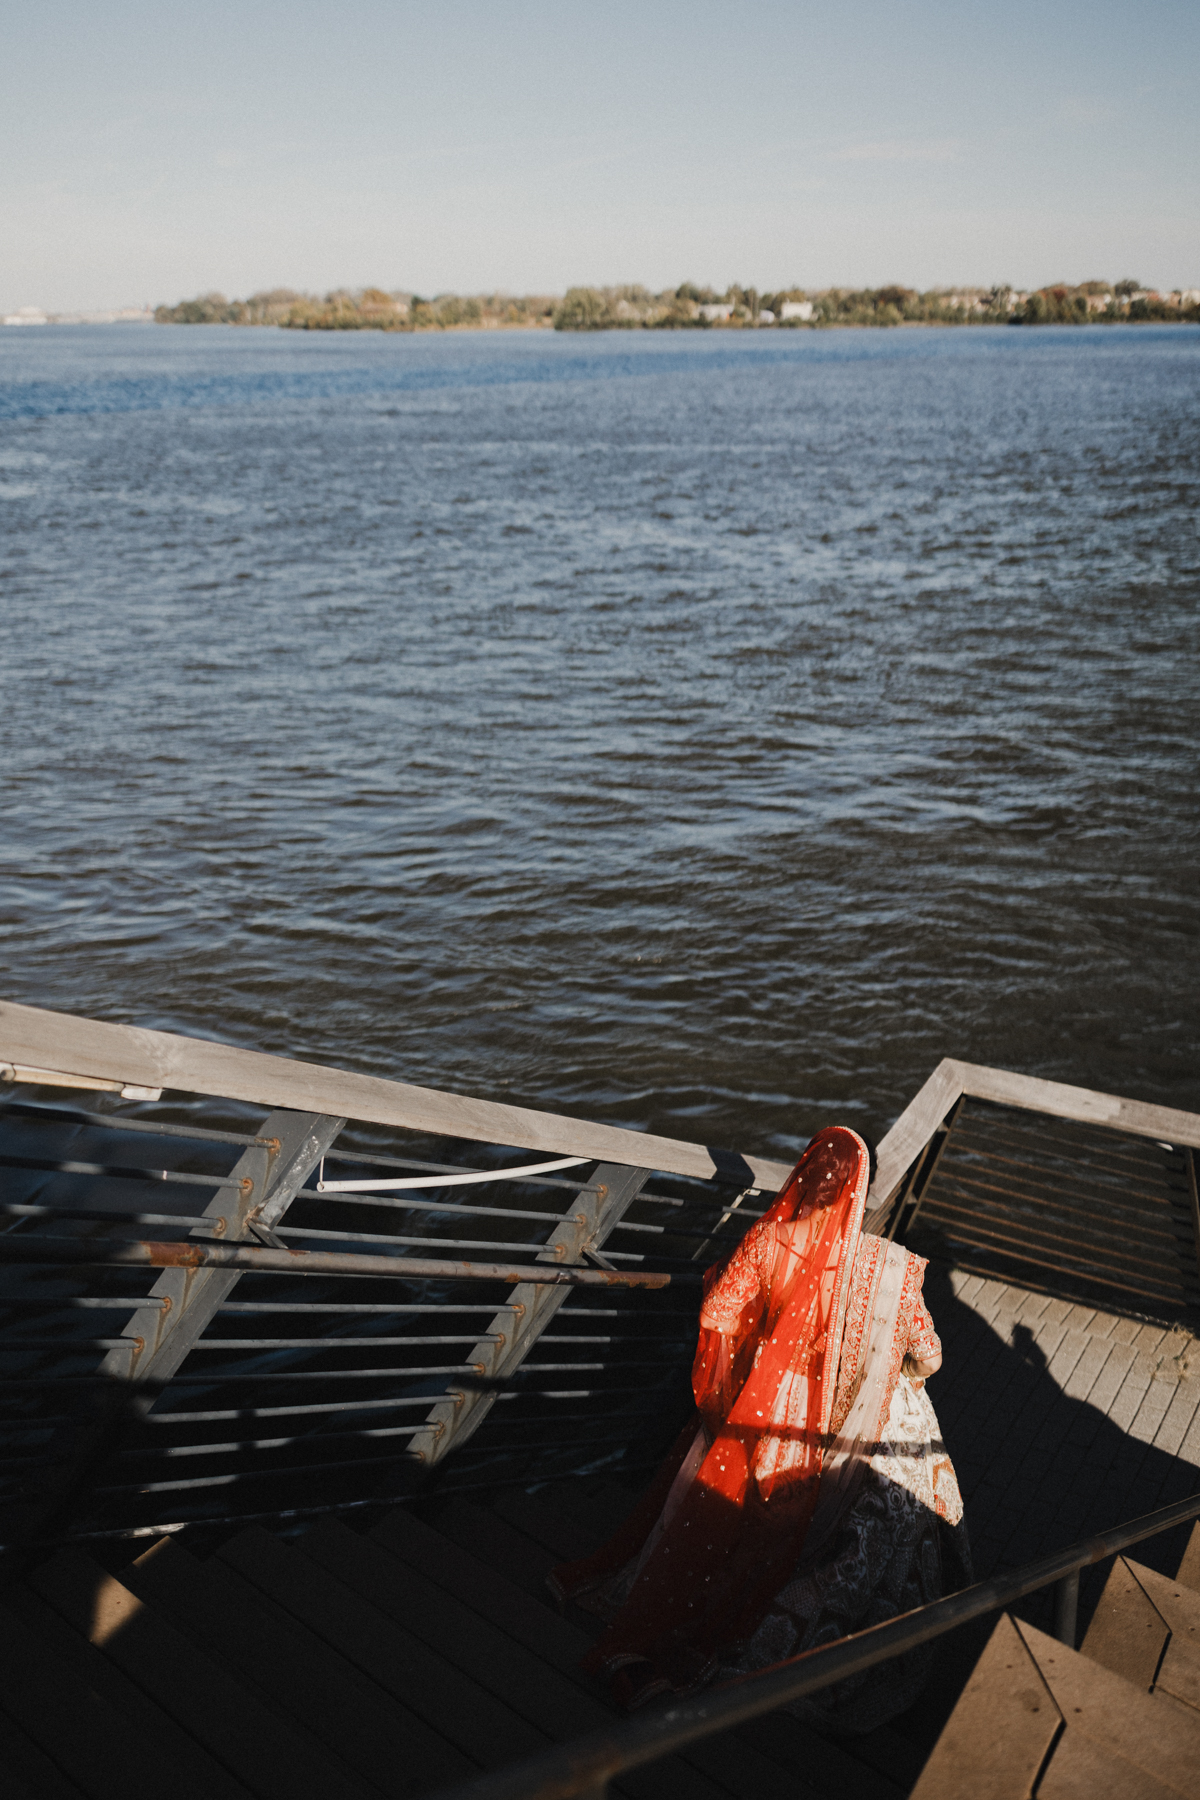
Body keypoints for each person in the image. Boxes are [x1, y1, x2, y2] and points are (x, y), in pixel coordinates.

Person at [548, 1125, 970, 1732]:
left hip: (759, 1409)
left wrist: (752, 1362)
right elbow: (928, 1355)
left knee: (715, 1507)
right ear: (862, 1192)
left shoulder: (770, 1238)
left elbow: (718, 1311)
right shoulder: (890, 1270)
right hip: (833, 1433)